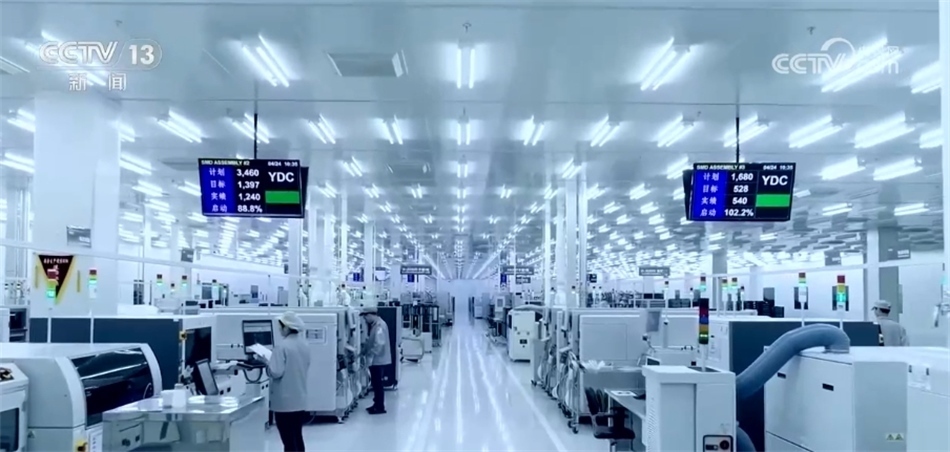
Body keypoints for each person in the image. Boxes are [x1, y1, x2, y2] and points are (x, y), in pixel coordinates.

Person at [258, 311, 311, 452]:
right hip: (299, 398)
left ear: (287, 327)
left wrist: (266, 362)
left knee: (288, 440)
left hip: (285, 402)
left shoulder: (282, 347)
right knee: (297, 436)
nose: (279, 329)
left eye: (280, 326)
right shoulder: (304, 344)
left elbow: (276, 372)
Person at [360, 306, 392, 414]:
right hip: (377, 359)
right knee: (375, 383)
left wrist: (370, 354)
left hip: (378, 360)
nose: (365, 319)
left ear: (370, 315)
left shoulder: (379, 326)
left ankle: (380, 407)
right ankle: (376, 404)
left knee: (378, 384)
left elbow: (379, 344)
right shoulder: (376, 325)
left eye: (365, 317)